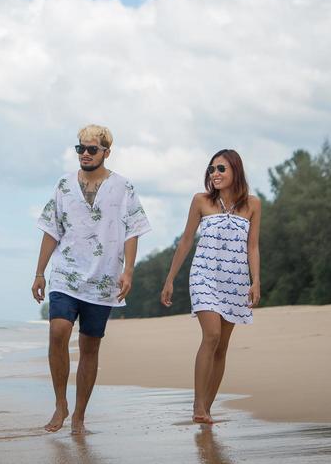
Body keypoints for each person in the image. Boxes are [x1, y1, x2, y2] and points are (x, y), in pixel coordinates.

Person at [32, 124, 151, 434]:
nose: (85, 154)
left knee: (89, 346)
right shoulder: (63, 185)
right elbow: (50, 230)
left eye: (92, 149)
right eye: (80, 148)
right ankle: (60, 403)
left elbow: (133, 230)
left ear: (106, 152)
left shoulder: (124, 187)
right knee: (58, 331)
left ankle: (80, 416)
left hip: (103, 279)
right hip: (65, 274)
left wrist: (129, 270)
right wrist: (39, 272)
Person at [160, 148, 261, 424]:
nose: (214, 174)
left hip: (236, 280)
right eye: (212, 169)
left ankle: (207, 406)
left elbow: (253, 247)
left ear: (235, 172)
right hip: (203, 276)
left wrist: (255, 281)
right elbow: (185, 241)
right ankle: (198, 404)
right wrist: (170, 278)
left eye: (221, 169)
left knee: (223, 345)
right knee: (212, 336)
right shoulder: (201, 201)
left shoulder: (252, 205)